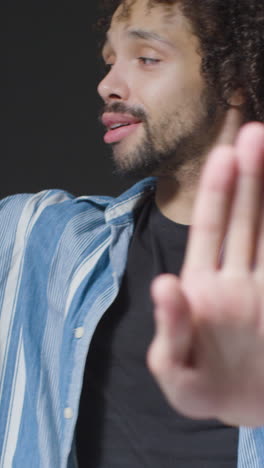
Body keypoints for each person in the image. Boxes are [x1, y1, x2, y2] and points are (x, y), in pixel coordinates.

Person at [1, 0, 264, 466]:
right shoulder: (41, 237)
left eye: (147, 58)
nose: (108, 86)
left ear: (234, 80)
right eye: (110, 62)